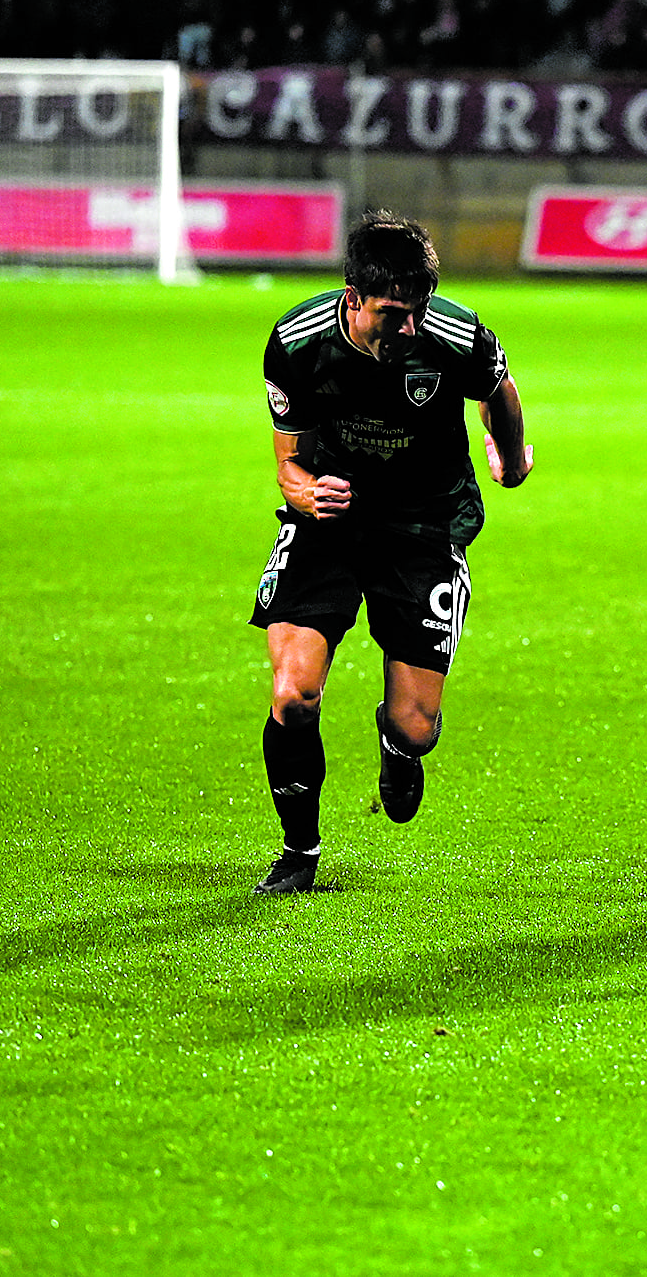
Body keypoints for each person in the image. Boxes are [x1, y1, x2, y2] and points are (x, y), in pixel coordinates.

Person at [247, 211, 531, 894]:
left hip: (425, 527)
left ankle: (397, 747)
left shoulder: (457, 337)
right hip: (331, 525)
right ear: (352, 299)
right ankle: (298, 851)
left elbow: (500, 390)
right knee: (293, 693)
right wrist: (307, 491)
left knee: (417, 723)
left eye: (418, 312)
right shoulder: (295, 342)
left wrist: (511, 459)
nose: (408, 329)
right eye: (392, 314)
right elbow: (289, 464)